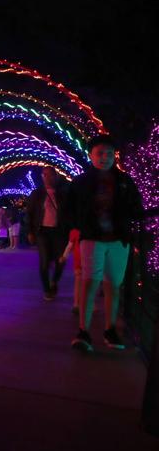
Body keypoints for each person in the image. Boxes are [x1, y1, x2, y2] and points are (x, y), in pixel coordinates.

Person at [69, 135, 143, 352]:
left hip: (118, 240)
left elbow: (136, 207)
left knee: (113, 286)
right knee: (90, 283)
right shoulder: (81, 182)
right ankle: (83, 331)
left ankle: (110, 329)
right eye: (100, 153)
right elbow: (70, 209)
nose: (105, 158)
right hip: (92, 239)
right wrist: (78, 227)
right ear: (91, 155)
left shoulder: (124, 181)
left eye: (109, 154)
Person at [26, 166, 70, 300]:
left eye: (50, 174)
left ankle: (54, 281)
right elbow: (30, 213)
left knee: (60, 261)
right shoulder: (37, 194)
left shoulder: (63, 194)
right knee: (44, 262)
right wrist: (30, 231)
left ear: (56, 176)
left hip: (59, 232)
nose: (47, 177)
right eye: (44, 175)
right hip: (42, 231)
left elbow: (69, 214)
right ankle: (47, 289)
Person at [59, 228, 82, 314]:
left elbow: (69, 246)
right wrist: (64, 256)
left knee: (81, 282)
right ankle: (77, 303)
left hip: (85, 260)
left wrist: (64, 256)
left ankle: (77, 304)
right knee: (83, 282)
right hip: (81, 261)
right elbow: (70, 245)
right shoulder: (75, 231)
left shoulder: (75, 231)